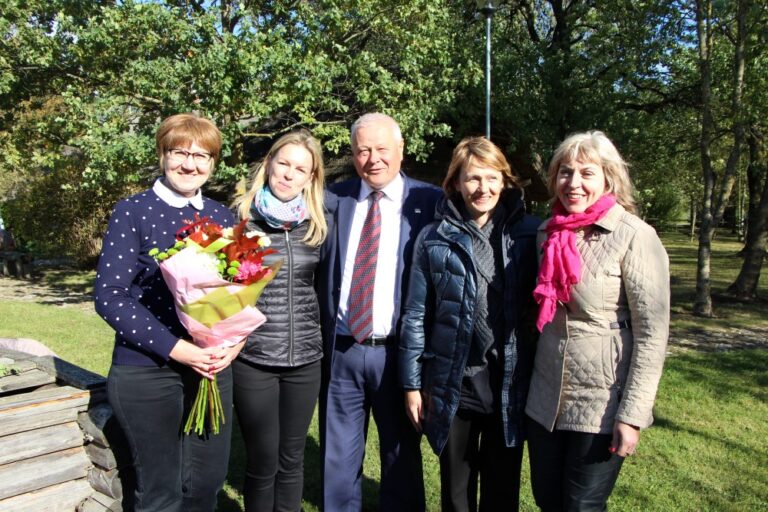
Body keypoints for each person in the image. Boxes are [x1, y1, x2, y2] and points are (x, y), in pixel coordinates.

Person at [95, 113, 241, 511]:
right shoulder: (133, 211)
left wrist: (235, 343)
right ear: (162, 154)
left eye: (202, 156)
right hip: (148, 370)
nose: (190, 164)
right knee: (161, 493)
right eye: (180, 152)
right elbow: (110, 296)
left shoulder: (222, 216)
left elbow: (236, 291)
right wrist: (178, 349)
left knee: (205, 487)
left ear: (213, 163)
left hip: (211, 370)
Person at [525, 131, 670, 511]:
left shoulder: (635, 236)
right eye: (565, 172)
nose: (573, 183)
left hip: (601, 402)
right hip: (545, 398)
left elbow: (652, 334)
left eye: (587, 173)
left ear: (608, 178)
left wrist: (633, 415)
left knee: (581, 505)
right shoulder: (546, 233)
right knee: (547, 500)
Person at [399, 137, 539, 512]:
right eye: (473, 178)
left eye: (492, 178)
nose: (483, 188)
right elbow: (415, 314)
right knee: (456, 492)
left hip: (508, 382)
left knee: (502, 491)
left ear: (504, 181)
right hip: (454, 383)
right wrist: (412, 383)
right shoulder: (433, 238)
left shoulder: (527, 235)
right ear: (456, 183)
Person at [317, 113, 442, 511]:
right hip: (342, 350)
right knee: (337, 458)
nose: (373, 159)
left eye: (382, 149)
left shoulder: (430, 202)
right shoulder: (332, 200)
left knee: (401, 455)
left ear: (401, 149)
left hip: (398, 354)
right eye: (363, 150)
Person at [231, 130, 327, 512]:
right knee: (262, 460)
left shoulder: (318, 224)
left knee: (292, 459)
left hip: (305, 359)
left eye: (300, 169)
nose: (289, 174)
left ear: (311, 177)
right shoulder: (241, 220)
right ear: (269, 163)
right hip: (254, 359)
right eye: (283, 163)